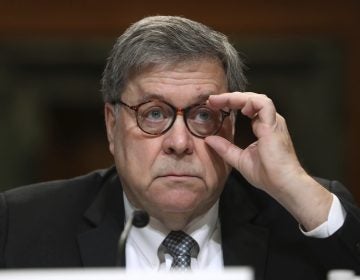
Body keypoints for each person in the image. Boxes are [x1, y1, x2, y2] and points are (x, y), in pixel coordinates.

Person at [0, 15, 359, 280]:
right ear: (112, 126)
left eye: (203, 115)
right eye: (154, 113)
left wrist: (293, 183)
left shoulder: (301, 214)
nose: (179, 142)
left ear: (231, 126)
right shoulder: (18, 225)